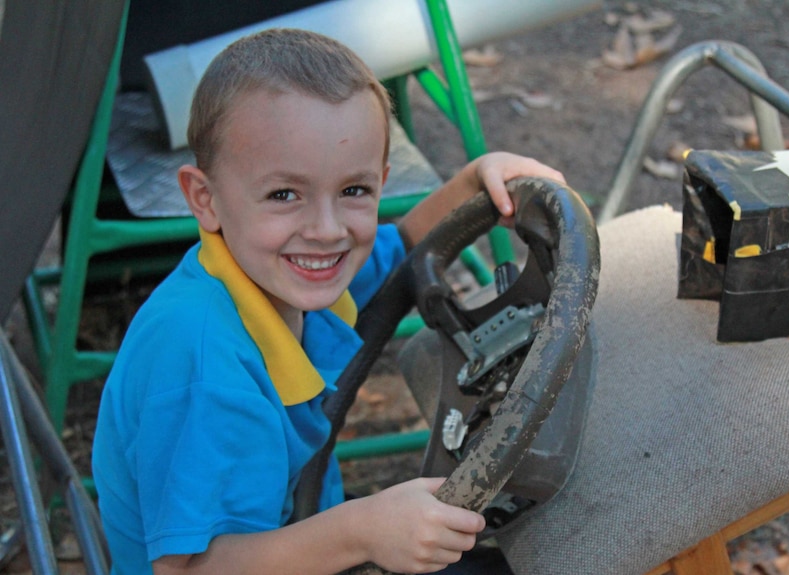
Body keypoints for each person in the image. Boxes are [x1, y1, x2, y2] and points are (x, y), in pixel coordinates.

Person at [92, 28, 565, 575]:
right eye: (284, 195)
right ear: (206, 199)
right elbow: (188, 569)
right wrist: (361, 531)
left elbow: (407, 246)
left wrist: (473, 181)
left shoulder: (284, 274)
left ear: (381, 182)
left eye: (354, 191)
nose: (326, 230)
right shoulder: (203, 365)